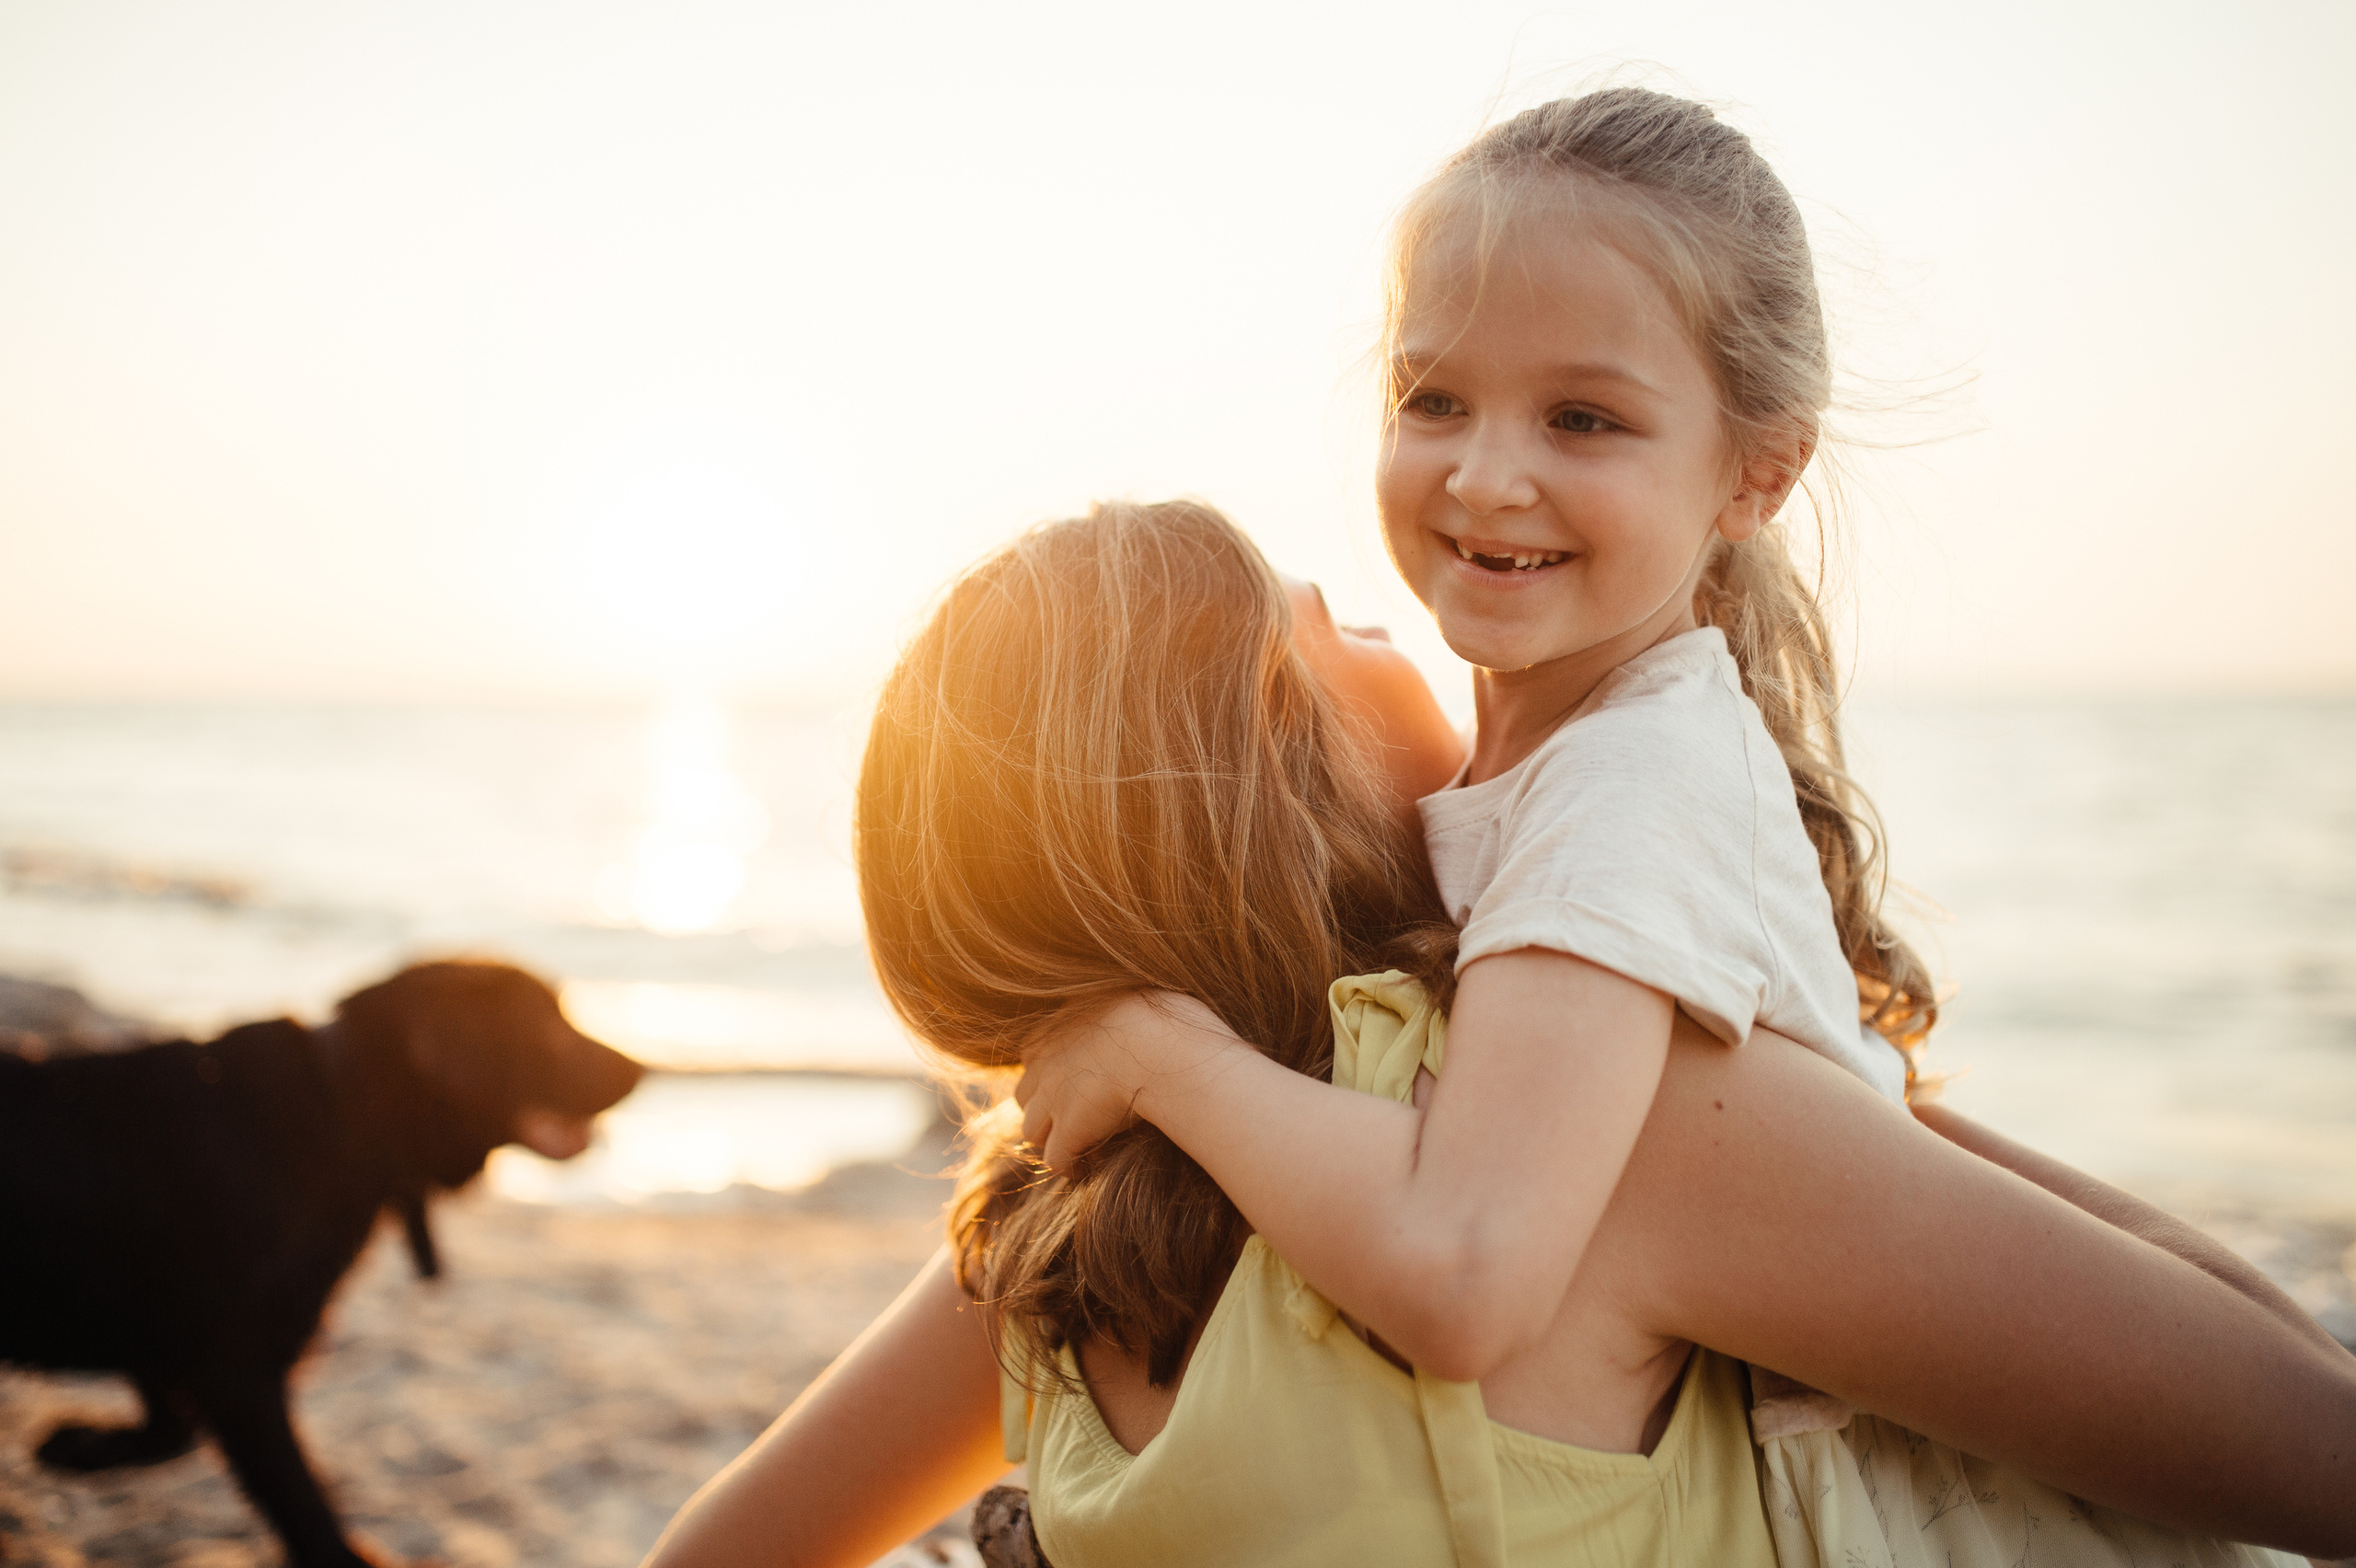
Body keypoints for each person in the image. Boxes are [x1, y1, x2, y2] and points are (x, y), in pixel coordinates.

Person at [1006, 90, 2356, 1562]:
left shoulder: (1622, 796)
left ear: (1758, 471)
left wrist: (1161, 1054)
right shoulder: (1563, 780)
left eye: (1582, 416)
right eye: (1432, 397)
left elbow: (1465, 1275)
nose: (1484, 473)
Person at [641, 502, 2353, 1568]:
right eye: (1349, 627)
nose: (1421, 646)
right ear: (1283, 745)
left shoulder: (1054, 1222)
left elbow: (721, 1555)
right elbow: (2301, 1427)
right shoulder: (1617, 1144)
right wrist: (1794, 1055)